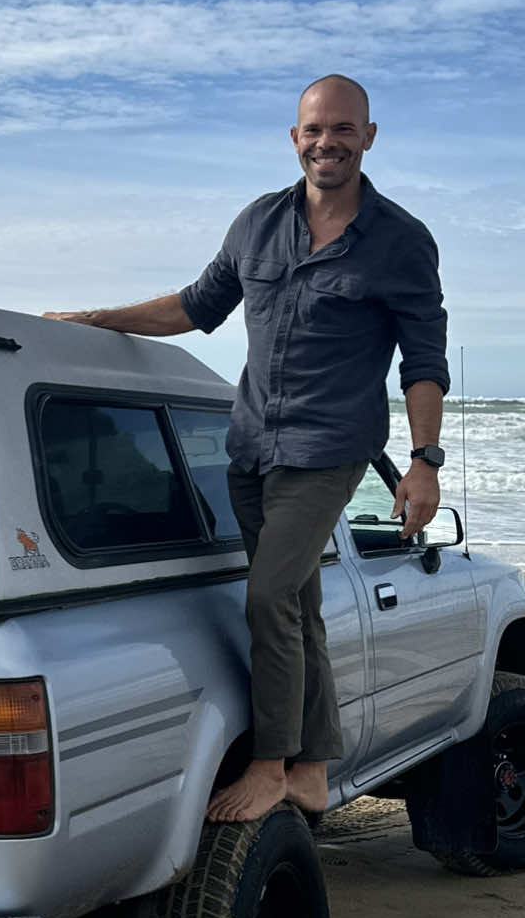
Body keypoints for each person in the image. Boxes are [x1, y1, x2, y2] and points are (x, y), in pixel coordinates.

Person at [44, 74, 449, 824]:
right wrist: (98, 320)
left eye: (342, 129)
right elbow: (195, 306)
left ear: (368, 137)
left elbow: (423, 361)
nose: (326, 142)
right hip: (251, 445)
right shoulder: (258, 223)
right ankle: (313, 770)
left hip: (328, 449)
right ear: (294, 139)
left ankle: (270, 765)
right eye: (313, 130)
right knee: (297, 606)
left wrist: (424, 462)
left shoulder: (400, 241)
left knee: (267, 599)